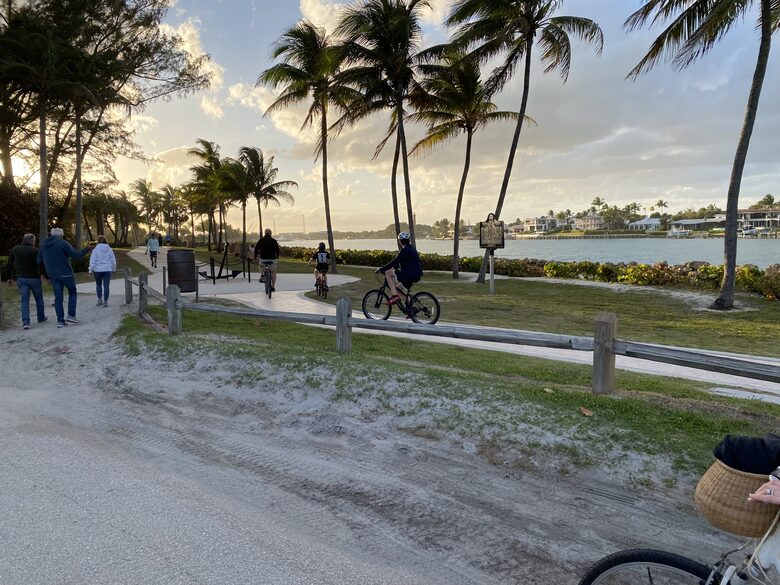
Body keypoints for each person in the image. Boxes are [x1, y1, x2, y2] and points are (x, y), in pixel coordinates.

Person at [38, 227, 94, 328]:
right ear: (61, 235)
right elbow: (75, 255)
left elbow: (39, 262)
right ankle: (71, 315)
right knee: (72, 292)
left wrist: (46, 274)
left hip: (53, 275)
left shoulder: (43, 245)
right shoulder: (62, 243)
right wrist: (87, 249)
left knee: (58, 298)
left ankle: (60, 321)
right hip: (66, 273)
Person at [7, 233, 47, 329]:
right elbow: (40, 264)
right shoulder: (35, 251)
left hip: (21, 278)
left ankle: (26, 322)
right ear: (32, 241)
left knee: (24, 300)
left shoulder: (15, 249)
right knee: (39, 299)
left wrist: (10, 277)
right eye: (34, 241)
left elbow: (10, 264)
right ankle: (41, 317)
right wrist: (45, 275)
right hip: (34, 278)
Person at [376, 231, 423, 307]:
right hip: (416, 274)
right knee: (398, 289)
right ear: (409, 240)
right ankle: (412, 308)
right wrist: (394, 267)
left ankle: (394, 297)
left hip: (409, 275)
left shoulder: (404, 250)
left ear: (400, 241)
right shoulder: (411, 248)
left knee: (388, 273)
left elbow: (395, 261)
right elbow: (402, 262)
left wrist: (382, 269)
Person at [88, 235, 117, 307]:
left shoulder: (95, 250)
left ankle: (99, 300)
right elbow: (113, 261)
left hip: (97, 270)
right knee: (106, 286)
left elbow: (93, 260)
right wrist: (114, 269)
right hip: (107, 269)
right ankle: (106, 302)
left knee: (98, 285)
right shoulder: (109, 249)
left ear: (98, 241)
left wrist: (90, 270)